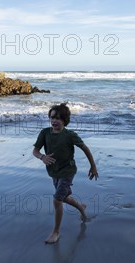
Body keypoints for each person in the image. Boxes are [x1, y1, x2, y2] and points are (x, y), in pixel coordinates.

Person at [32, 103, 99, 244]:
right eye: (52, 118)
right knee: (65, 198)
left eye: (58, 118)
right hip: (54, 172)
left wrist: (93, 166)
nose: (54, 121)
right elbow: (35, 151)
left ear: (65, 120)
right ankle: (81, 207)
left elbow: (85, 148)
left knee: (57, 200)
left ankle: (56, 232)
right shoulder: (45, 133)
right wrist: (42, 157)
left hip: (68, 171)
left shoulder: (70, 135)